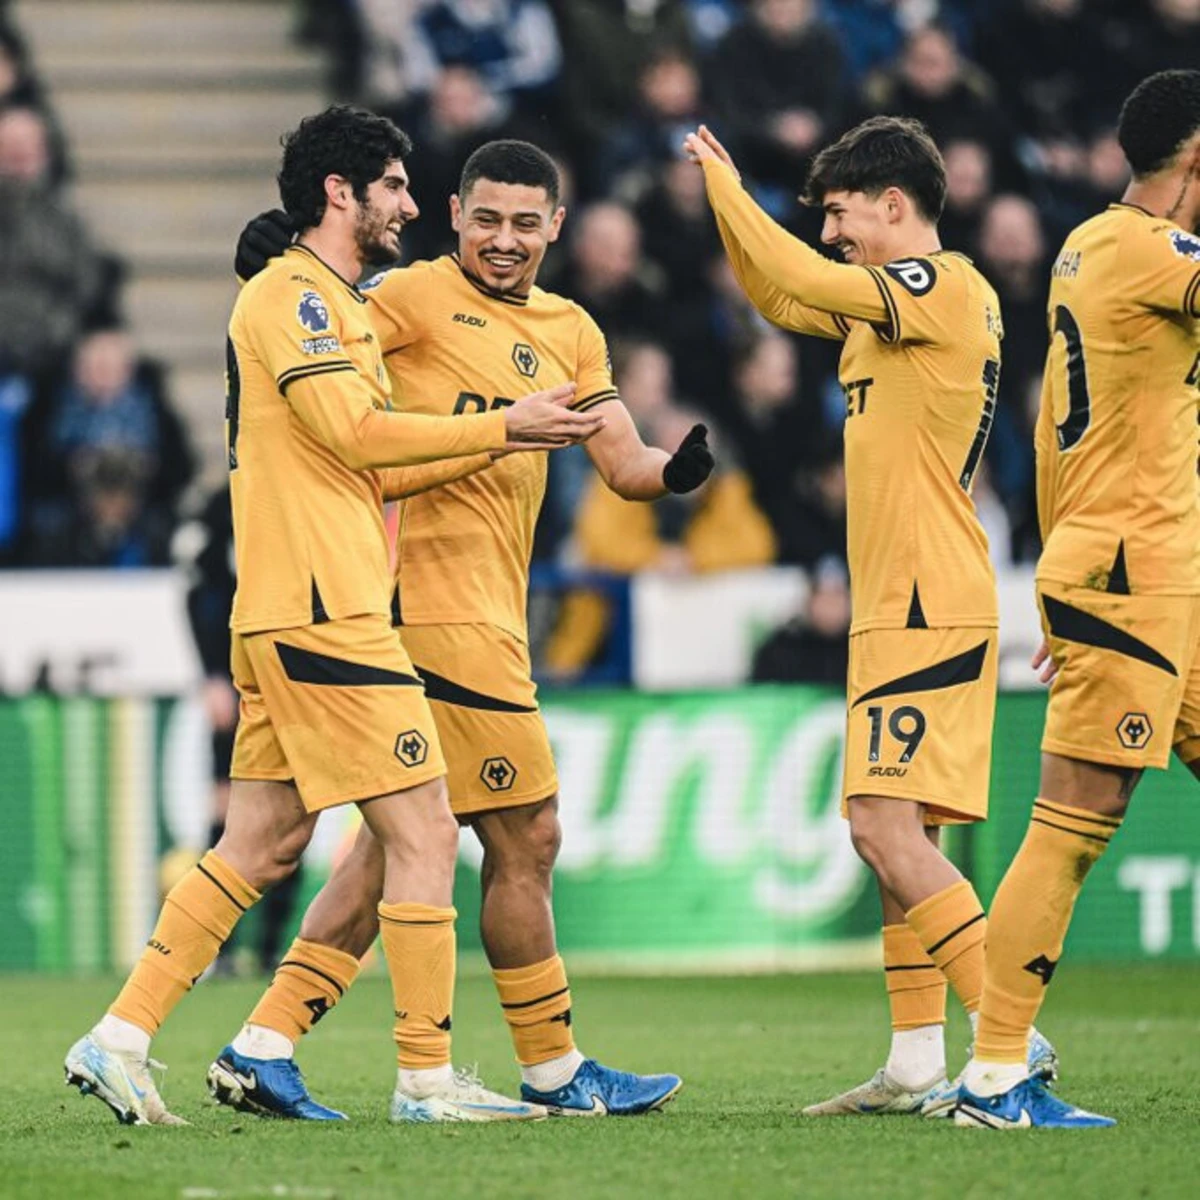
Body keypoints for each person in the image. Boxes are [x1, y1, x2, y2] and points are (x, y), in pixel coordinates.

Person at [63, 105, 604, 1126]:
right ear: (341, 193)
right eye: (396, 186)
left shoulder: (339, 304)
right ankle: (425, 1080)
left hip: (304, 602)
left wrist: (506, 439)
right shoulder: (293, 299)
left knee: (262, 843)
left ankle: (121, 1037)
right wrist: (500, 421)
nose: (410, 204)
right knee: (428, 831)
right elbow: (354, 432)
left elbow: (377, 448)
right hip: (322, 607)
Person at [210, 138, 709, 1120]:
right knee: (525, 831)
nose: (505, 240)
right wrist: (264, 257)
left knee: (396, 850)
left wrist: (671, 473)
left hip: (491, 616)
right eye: (487, 219)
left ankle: (264, 1041)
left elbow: (622, 458)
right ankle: (552, 1066)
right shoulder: (409, 295)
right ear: (453, 214)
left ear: (556, 227)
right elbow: (315, 314)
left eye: (526, 223)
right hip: (423, 612)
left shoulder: (570, 329)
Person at [685, 116, 1055, 1117]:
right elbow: (777, 289)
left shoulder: (941, 285)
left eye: (842, 215)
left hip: (926, 601)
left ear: (896, 206)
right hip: (902, 601)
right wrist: (734, 213)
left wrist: (724, 182)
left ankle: (1011, 1046)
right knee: (901, 829)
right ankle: (915, 1062)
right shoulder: (883, 315)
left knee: (880, 826)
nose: (834, 234)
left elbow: (798, 277)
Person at [956, 70, 1200, 1130]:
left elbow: (1069, 418)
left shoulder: (1090, 245)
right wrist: (1083, 582)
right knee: (1074, 821)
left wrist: (1064, 576)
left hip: (1144, 570)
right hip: (1134, 572)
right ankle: (995, 1074)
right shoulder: (1154, 252)